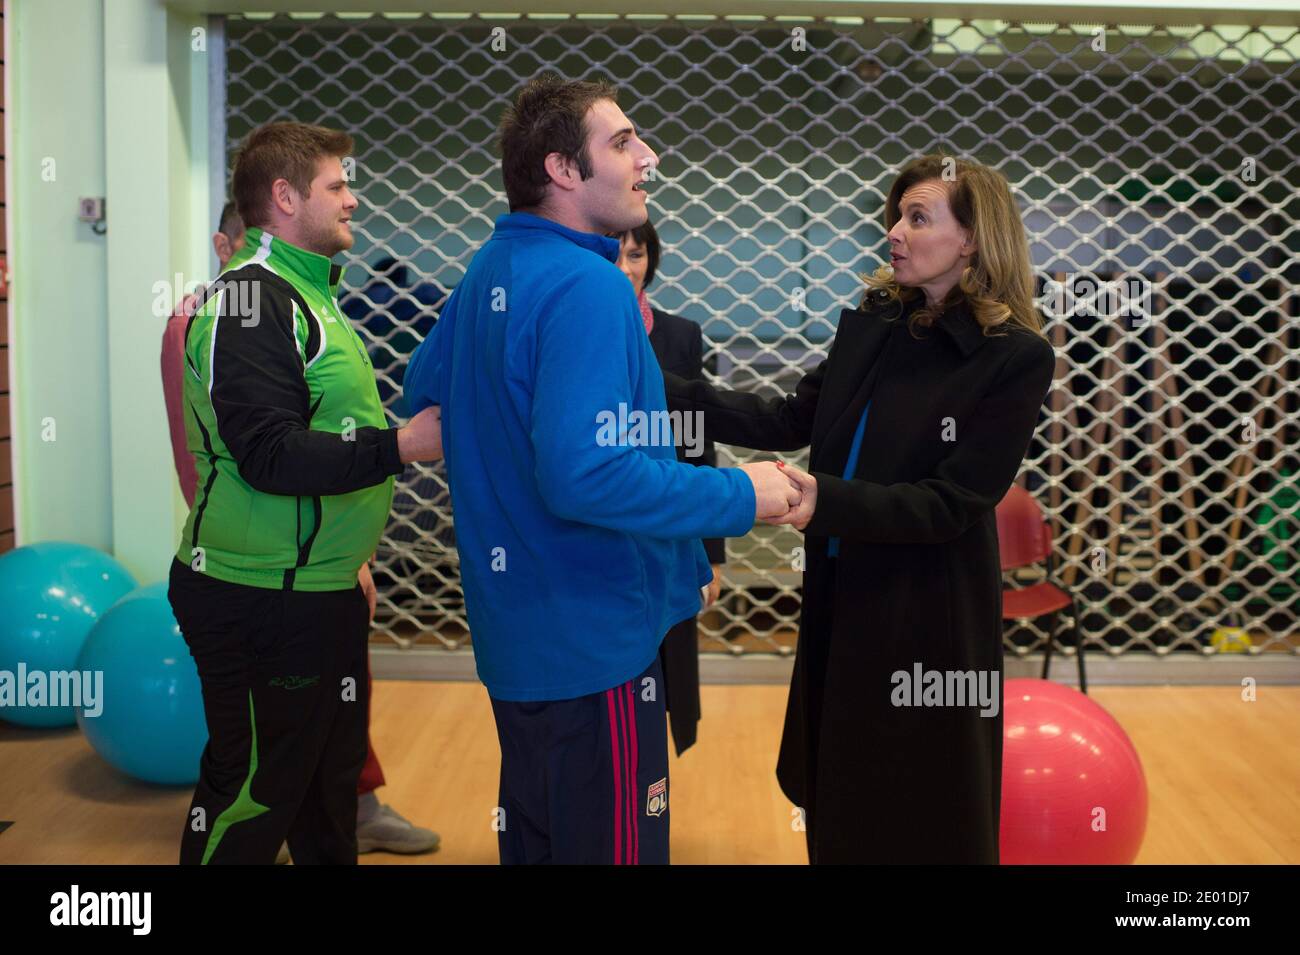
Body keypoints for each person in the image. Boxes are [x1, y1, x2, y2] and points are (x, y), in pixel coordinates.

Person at [402, 75, 801, 865]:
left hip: (520, 642)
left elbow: (430, 402)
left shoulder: (492, 266)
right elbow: (584, 477)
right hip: (594, 647)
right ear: (562, 170)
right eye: (622, 142)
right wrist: (740, 493)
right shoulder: (590, 284)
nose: (648, 156)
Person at [664, 155, 1056, 863]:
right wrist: (658, 386)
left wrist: (825, 500)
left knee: (921, 808)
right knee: (838, 792)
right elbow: (789, 417)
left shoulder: (1015, 355)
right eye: (896, 216)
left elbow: (953, 501)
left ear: (972, 238)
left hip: (927, 614)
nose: (895, 233)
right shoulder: (879, 319)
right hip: (842, 594)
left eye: (918, 217)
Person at [167, 122, 443, 864]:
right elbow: (268, 455)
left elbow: (325, 434)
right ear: (285, 197)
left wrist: (345, 557)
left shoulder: (311, 294)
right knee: (251, 794)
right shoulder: (250, 303)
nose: (352, 199)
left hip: (317, 590)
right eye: (337, 185)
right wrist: (402, 445)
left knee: (327, 796)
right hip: (259, 598)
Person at [612, 217, 722, 755]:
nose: (628, 268)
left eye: (637, 255)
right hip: (604, 521)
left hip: (670, 521)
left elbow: (697, 445)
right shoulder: (577, 329)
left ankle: (646, 795)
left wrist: (712, 551)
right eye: (616, 255)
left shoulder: (680, 335)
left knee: (665, 664)